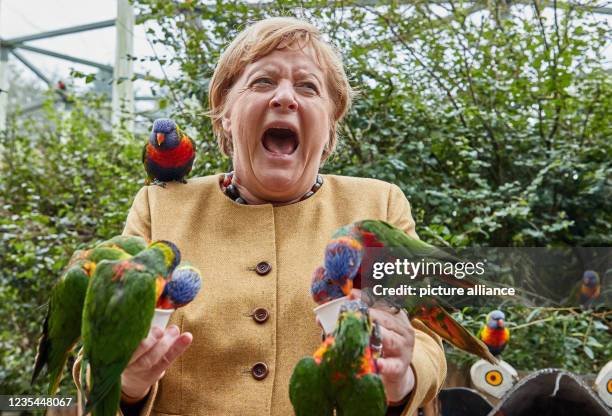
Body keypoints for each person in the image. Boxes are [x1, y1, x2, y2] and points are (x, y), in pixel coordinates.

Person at [73, 16, 446, 416]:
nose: (285, 98)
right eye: (263, 82)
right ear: (226, 116)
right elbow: (97, 350)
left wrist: (401, 378)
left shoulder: (380, 205)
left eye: (308, 86)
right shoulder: (159, 207)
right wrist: (128, 383)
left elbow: (425, 341)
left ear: (330, 123)